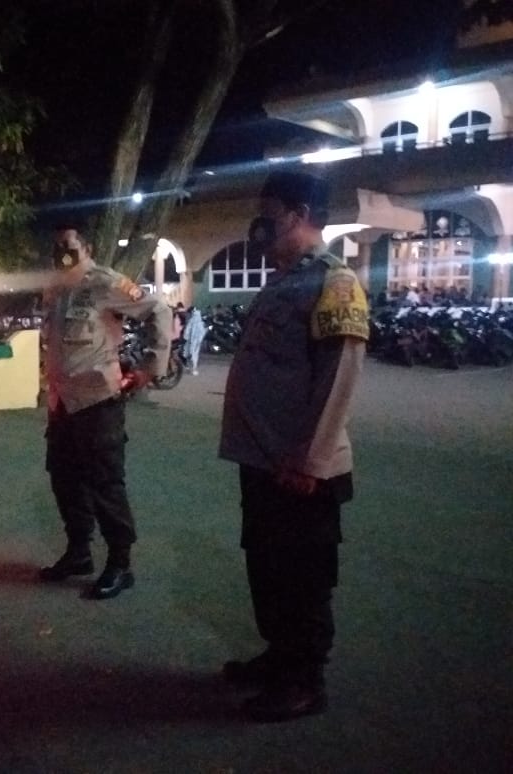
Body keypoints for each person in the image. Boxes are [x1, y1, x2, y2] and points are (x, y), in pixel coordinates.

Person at [218, 171, 368, 722]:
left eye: (269, 210)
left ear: (299, 213)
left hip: (301, 468)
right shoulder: (284, 281)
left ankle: (304, 681)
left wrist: (310, 460)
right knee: (268, 568)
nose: (259, 221)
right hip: (264, 460)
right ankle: (280, 656)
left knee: (302, 577)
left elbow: (338, 376)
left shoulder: (335, 282)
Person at [39, 225, 174, 600]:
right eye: (57, 245)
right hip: (62, 404)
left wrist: (151, 366)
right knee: (64, 479)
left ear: (87, 248)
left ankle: (120, 564)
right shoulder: (54, 289)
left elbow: (158, 308)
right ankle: (79, 552)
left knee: (105, 484)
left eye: (69, 245)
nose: (62, 251)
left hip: (98, 402)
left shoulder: (106, 282)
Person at [182, 306, 207, 375]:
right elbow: (203, 332)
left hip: (191, 341)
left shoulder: (192, 321)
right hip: (197, 341)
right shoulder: (200, 321)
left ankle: (191, 369)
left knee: (190, 354)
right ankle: (193, 369)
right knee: (195, 354)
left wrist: (185, 338)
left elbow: (187, 331)